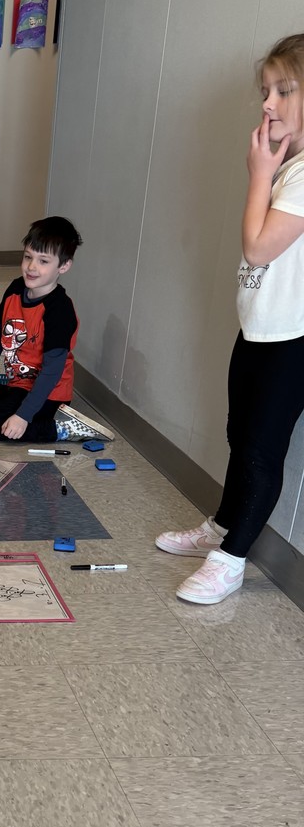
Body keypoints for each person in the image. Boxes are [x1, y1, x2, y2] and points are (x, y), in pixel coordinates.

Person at [156, 34, 304, 606]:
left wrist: (257, 172)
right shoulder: (291, 167)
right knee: (239, 438)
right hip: (260, 327)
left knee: (261, 450)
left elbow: (260, 248)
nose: (266, 104)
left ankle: (231, 560)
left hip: (292, 339)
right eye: (264, 91)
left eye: (283, 91)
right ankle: (220, 526)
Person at [0, 216, 113, 444]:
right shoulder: (15, 289)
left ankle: (63, 428)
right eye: (28, 257)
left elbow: (51, 373)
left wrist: (23, 416)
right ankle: (15, 411)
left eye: (43, 261)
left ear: (63, 266)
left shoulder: (59, 310)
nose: (32, 267)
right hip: (18, 385)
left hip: (49, 393)